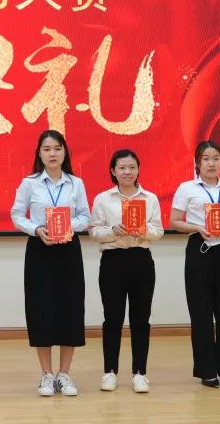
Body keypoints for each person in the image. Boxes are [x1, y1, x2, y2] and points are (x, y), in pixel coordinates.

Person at [10, 129, 90, 397]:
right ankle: (46, 374)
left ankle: (64, 374)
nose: (52, 153)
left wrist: (67, 226)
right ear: (39, 154)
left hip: (68, 250)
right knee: (40, 308)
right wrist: (36, 229)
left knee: (70, 308)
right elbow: (17, 215)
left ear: (65, 152)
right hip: (40, 249)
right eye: (46, 149)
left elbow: (85, 217)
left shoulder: (75, 183)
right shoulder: (29, 183)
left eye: (57, 148)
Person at [169, 140, 220, 388]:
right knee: (200, 312)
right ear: (197, 163)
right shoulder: (187, 188)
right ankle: (207, 370)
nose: (211, 163)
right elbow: (175, 221)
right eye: (206, 159)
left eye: (215, 158)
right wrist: (197, 228)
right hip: (199, 249)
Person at [89, 149, 163, 394]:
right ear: (113, 171)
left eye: (132, 167)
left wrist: (142, 230)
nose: (127, 172)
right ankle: (109, 372)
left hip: (141, 259)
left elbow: (158, 231)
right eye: (122, 167)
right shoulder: (103, 199)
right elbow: (94, 231)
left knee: (141, 318)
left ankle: (140, 373)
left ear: (138, 169)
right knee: (113, 318)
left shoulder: (150, 198)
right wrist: (113, 231)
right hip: (113, 261)